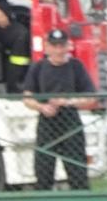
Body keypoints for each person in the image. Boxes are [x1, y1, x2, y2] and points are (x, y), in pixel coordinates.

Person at [23, 29, 96, 192]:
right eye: (54, 46)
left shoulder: (76, 67)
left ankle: (81, 200)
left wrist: (67, 102)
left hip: (70, 121)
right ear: (47, 47)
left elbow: (91, 97)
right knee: (43, 169)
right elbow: (27, 98)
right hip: (47, 122)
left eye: (61, 46)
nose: (58, 50)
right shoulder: (38, 67)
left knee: (77, 169)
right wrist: (42, 107)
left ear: (67, 46)